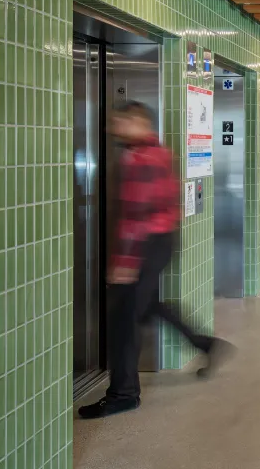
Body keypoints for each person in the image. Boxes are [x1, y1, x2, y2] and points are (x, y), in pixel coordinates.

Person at [79, 102, 230, 419]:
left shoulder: (141, 159)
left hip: (144, 246)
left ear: (137, 122)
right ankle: (205, 344)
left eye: (119, 122)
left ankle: (123, 394)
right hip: (160, 243)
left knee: (124, 319)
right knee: (147, 306)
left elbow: (137, 215)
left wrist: (124, 260)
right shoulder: (157, 153)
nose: (112, 128)